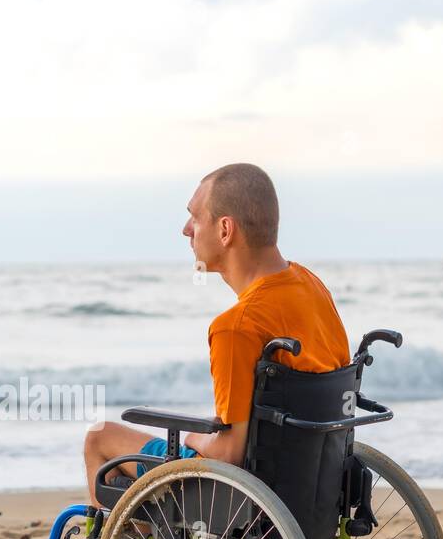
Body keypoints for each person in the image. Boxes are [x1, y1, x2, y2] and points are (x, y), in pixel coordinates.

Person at [83, 163, 351, 507]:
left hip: (241, 496)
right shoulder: (311, 286)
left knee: (99, 437)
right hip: (309, 484)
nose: (185, 230)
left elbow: (227, 454)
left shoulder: (236, 326)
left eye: (195, 217)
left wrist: (195, 437)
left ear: (225, 230)